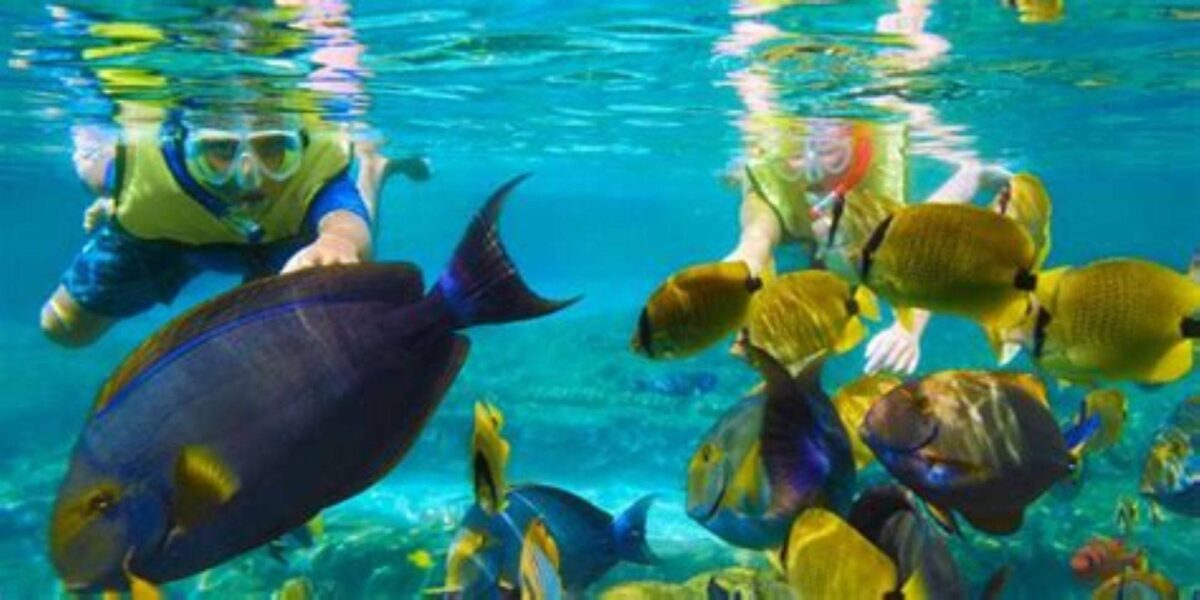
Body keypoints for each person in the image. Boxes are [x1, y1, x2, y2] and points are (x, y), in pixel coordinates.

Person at [716, 1, 1025, 375]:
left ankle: (755, 22)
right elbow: (920, 253)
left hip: (794, 141)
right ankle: (908, 20)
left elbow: (754, 240)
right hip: (852, 144)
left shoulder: (783, 192)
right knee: (900, 59)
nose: (810, 164)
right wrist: (910, 331)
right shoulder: (866, 197)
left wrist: (736, 269)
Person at [40, 108, 419, 348]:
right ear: (180, 142)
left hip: (283, 241)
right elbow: (101, 170)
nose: (249, 177)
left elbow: (344, 221)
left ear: (301, 143)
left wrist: (338, 241)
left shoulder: (315, 164)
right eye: (220, 150)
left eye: (274, 148)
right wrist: (122, 201)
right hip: (171, 238)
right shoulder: (139, 173)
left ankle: (371, 170)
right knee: (65, 329)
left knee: (339, 279)